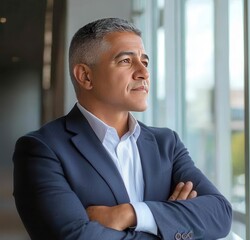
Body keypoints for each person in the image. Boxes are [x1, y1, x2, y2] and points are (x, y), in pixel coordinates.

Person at [13, 18, 232, 240]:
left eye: (144, 62)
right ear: (86, 76)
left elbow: (220, 215)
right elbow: (75, 237)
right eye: (126, 61)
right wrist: (170, 224)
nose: (143, 73)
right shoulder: (41, 149)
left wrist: (131, 214)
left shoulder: (166, 143)